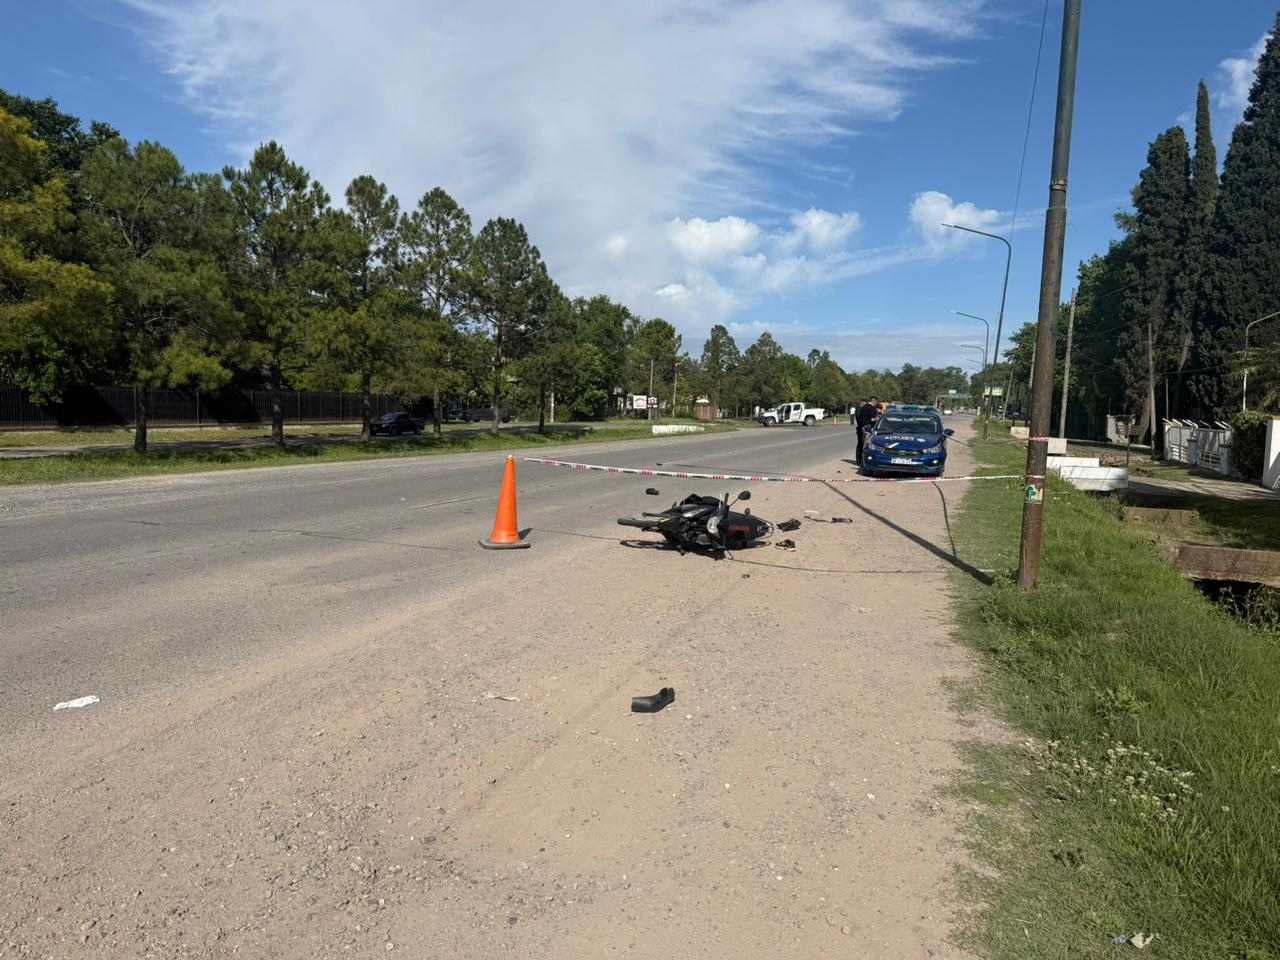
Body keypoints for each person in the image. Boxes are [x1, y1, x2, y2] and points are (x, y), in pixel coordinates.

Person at [854, 395, 879, 465]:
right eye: (876, 402)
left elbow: (860, 417)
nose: (876, 403)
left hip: (862, 427)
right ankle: (865, 462)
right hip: (869, 428)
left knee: (862, 444)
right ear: (874, 401)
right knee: (868, 445)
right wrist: (879, 418)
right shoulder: (871, 408)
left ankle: (860, 460)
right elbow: (872, 419)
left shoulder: (863, 407)